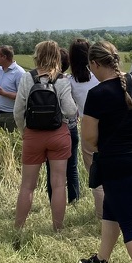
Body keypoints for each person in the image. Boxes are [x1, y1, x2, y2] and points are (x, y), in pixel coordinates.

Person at [79, 41, 132, 263]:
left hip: (118, 163)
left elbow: (90, 137)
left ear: (94, 63)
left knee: (131, 222)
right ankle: (101, 260)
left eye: (90, 66)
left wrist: (104, 146)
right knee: (112, 207)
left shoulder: (97, 94)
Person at [13, 41, 78, 232]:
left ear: (37, 55)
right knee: (58, 184)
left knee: (27, 186)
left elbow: (18, 111)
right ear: (57, 57)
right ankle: (57, 228)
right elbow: (70, 110)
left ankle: (18, 228)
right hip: (58, 134)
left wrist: (24, 132)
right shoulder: (62, 80)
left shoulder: (27, 78)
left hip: (33, 135)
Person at [69, 38, 104, 219]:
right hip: (109, 124)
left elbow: (70, 108)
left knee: (95, 174)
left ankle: (100, 215)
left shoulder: (71, 81)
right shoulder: (99, 76)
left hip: (87, 127)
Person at [45, 48, 80, 205]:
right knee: (72, 167)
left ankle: (53, 201)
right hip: (70, 128)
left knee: (51, 169)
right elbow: (73, 109)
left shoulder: (44, 81)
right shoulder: (70, 80)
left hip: (51, 130)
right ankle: (74, 199)